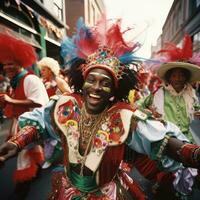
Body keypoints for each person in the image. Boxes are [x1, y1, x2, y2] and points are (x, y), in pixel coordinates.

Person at [1, 17, 200, 200]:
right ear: (83, 81)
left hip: (108, 193)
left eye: (105, 83)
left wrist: (193, 154)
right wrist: (16, 143)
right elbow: (41, 123)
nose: (96, 88)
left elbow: (162, 141)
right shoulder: (66, 104)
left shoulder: (124, 116)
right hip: (69, 191)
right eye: (91, 80)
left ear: (114, 89)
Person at [136, 34, 200, 198]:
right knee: (167, 177)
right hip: (167, 140)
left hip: (186, 140)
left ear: (186, 77)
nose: (178, 78)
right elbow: (140, 106)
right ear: (169, 77)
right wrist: (150, 113)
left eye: (181, 75)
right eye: (174, 75)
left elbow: (197, 108)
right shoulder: (159, 93)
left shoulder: (191, 94)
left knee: (187, 176)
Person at [0, 33, 49, 199]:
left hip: (33, 127)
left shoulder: (31, 80)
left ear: (20, 63)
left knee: (22, 159)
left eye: (11, 64)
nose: (7, 67)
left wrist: (10, 100)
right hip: (21, 126)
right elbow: (15, 109)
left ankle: (21, 191)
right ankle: (37, 172)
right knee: (28, 153)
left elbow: (39, 103)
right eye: (5, 64)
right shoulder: (15, 83)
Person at [37, 57, 71, 169]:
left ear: (51, 70)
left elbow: (70, 94)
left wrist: (58, 98)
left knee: (61, 137)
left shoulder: (59, 81)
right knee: (47, 137)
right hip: (46, 114)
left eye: (43, 70)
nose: (41, 72)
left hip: (58, 114)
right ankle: (50, 157)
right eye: (41, 70)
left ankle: (66, 159)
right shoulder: (42, 82)